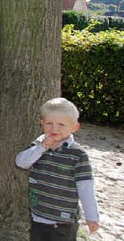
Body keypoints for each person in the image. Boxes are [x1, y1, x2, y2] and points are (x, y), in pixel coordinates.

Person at [15, 98, 100, 240]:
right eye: (49, 123)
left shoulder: (78, 155)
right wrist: (41, 148)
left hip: (63, 221)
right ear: (42, 123)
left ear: (74, 127)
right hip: (38, 216)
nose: (54, 129)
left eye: (61, 124)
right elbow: (21, 162)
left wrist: (92, 216)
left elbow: (86, 187)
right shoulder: (38, 145)